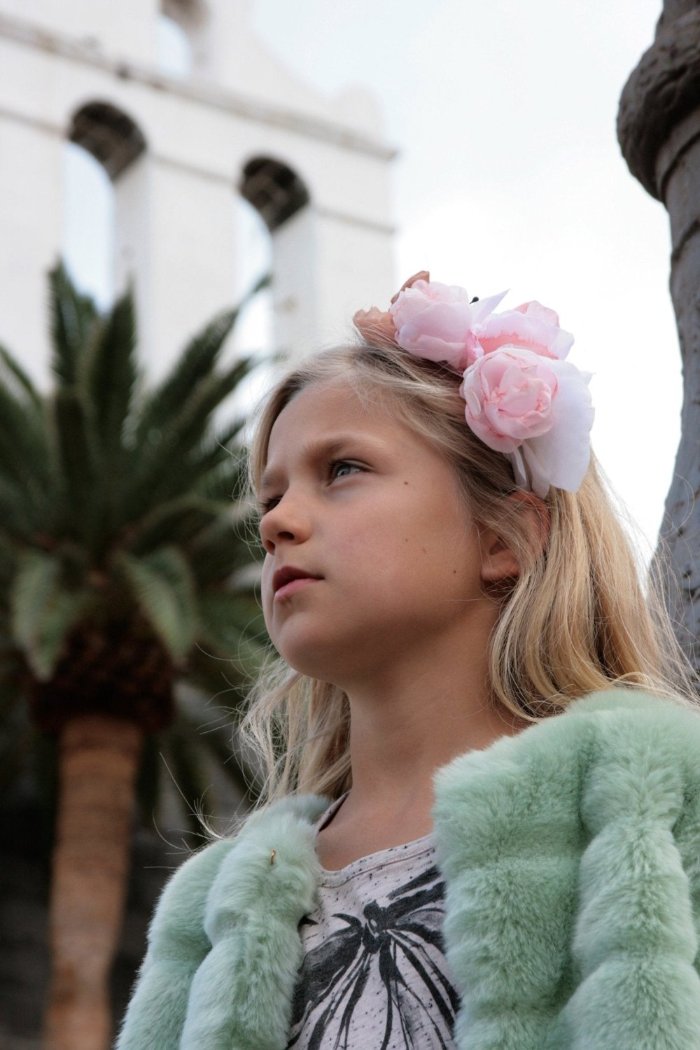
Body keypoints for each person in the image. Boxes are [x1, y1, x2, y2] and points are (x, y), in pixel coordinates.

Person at [116, 272, 700, 1050]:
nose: (278, 523)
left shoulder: (648, 799)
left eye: (343, 470)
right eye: (271, 497)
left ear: (506, 539)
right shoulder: (210, 907)